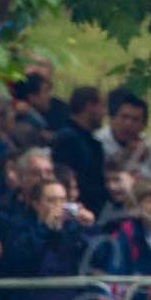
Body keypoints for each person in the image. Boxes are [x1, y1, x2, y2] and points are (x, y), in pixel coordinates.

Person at [53, 86, 110, 219]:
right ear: (90, 106)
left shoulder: (89, 141)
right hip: (76, 214)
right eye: (102, 106)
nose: (104, 113)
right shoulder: (68, 139)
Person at [98, 87, 151, 178]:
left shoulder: (144, 145)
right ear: (112, 118)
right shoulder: (98, 142)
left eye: (135, 119)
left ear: (143, 126)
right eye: (124, 117)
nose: (128, 123)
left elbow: (150, 174)